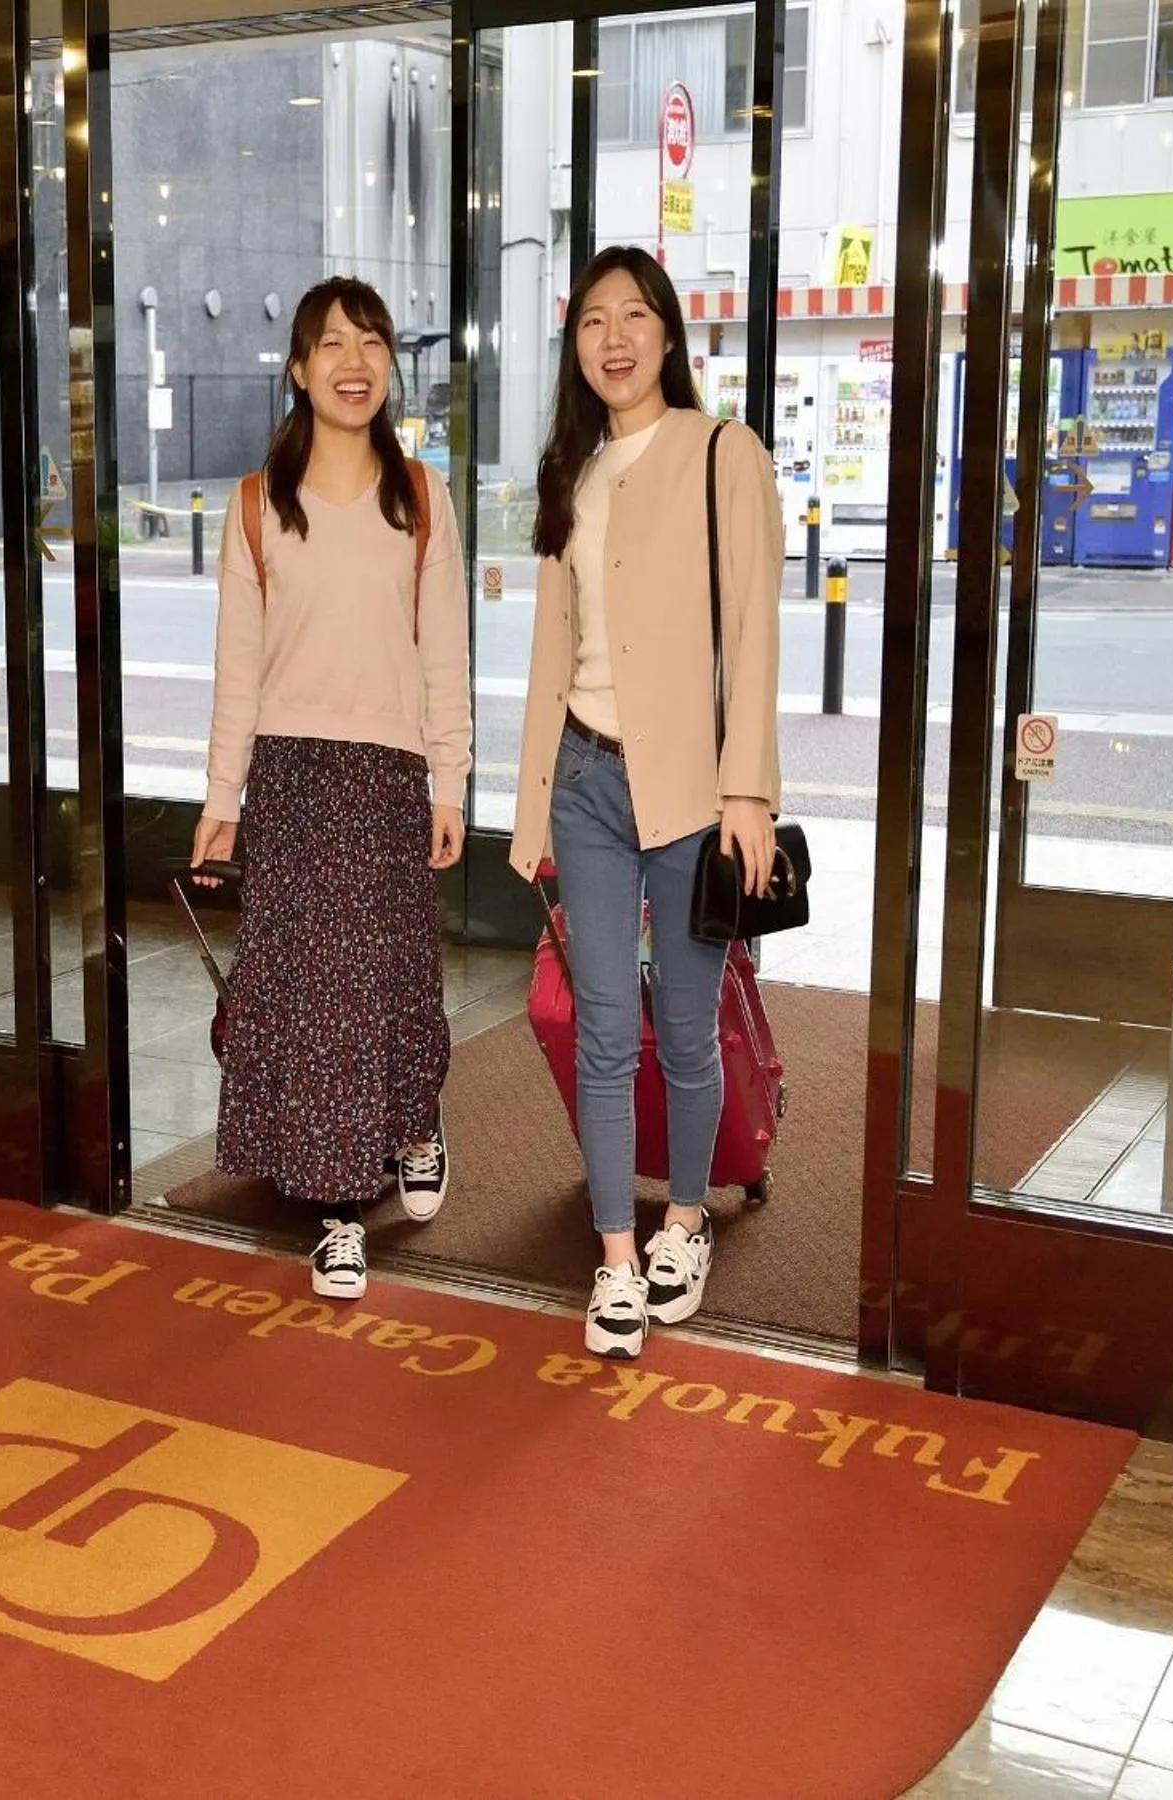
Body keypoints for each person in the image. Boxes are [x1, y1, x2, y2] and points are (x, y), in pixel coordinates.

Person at [508, 246, 783, 1358]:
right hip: (585, 775)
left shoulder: (724, 453)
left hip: (690, 787)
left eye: (633, 317)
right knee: (605, 1032)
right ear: (574, 349)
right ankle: (617, 1254)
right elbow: (547, 655)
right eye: (590, 323)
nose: (612, 339)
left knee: (684, 1023)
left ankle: (686, 1222)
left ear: (669, 335)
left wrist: (748, 792)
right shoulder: (571, 474)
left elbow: (756, 633)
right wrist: (530, 811)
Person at [194, 275, 471, 1301]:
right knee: (314, 998)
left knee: (390, 976)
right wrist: (224, 800)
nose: (354, 363)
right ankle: (339, 1209)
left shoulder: (421, 495)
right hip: (294, 773)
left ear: (389, 366)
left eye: (371, 343)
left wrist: (451, 777)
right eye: (332, 345)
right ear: (300, 370)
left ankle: (413, 1119)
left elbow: (445, 648)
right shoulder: (260, 504)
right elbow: (238, 665)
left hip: (391, 770)